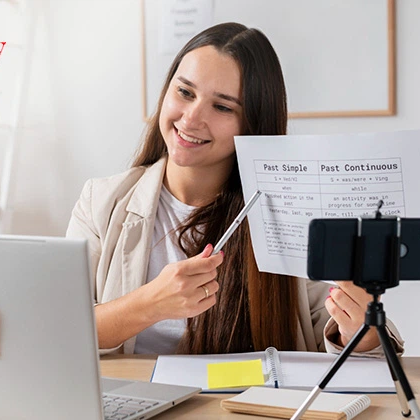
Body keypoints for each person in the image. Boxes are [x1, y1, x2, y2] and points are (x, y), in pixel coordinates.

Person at [67, 22, 403, 356]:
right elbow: (56, 327)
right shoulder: (101, 201)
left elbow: (334, 339)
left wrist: (359, 327)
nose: (191, 118)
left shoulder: (286, 213)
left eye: (223, 107)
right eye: (185, 92)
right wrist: (151, 304)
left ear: (253, 124)